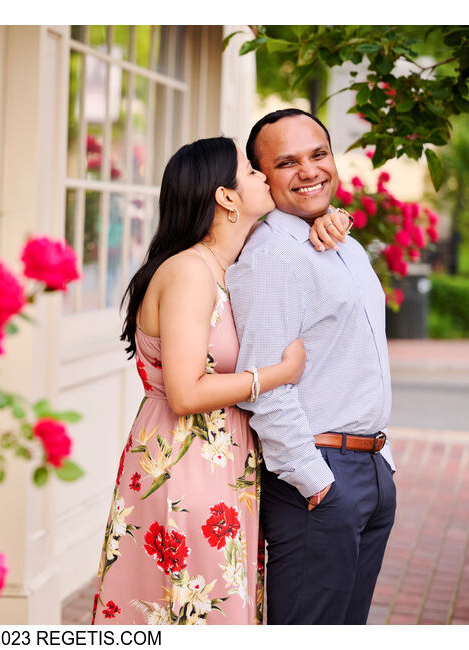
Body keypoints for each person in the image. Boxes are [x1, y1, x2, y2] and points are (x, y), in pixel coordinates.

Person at [91, 136, 351, 625]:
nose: (263, 176)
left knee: (219, 607)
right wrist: (277, 375)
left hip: (225, 461)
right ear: (226, 197)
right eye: (251, 172)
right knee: (196, 611)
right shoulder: (190, 271)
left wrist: (330, 217)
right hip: (186, 462)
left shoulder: (227, 265)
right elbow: (186, 392)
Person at [226, 108, 397, 625]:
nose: (309, 171)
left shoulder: (343, 245)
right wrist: (315, 482)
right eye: (286, 162)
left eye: (318, 154)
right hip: (320, 478)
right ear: (262, 177)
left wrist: (384, 466)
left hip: (370, 466)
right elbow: (264, 384)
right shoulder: (273, 257)